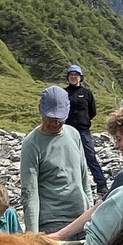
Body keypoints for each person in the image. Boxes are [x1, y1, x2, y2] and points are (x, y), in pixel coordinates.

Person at [19, 86, 89, 236]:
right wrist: (33, 236)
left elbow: (84, 179)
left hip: (81, 218)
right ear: (40, 110)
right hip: (52, 222)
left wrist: (90, 215)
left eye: (60, 119)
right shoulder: (32, 143)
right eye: (50, 118)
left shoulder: (74, 134)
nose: (55, 123)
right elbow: (29, 192)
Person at [63, 64, 108, 197]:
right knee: (69, 158)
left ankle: (101, 184)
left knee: (90, 157)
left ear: (80, 77)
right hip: (68, 130)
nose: (73, 77)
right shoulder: (64, 93)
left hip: (83, 130)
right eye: (71, 75)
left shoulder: (87, 93)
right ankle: (71, 184)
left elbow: (92, 111)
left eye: (76, 75)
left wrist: (84, 120)